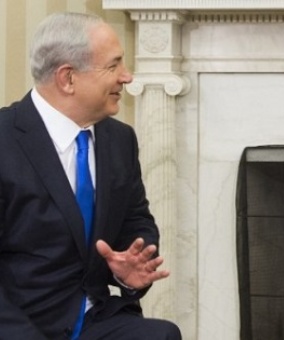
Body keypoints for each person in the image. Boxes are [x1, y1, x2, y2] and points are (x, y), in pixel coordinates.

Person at [0, 11, 181, 340]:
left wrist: (129, 268)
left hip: (95, 317)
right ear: (67, 78)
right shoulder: (4, 140)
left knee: (162, 335)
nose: (126, 77)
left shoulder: (119, 140)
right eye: (113, 66)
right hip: (21, 324)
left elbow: (137, 221)